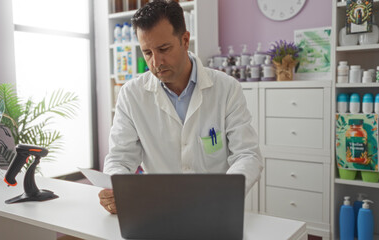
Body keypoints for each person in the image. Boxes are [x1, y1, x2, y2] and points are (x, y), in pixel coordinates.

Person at [99, 0, 263, 214]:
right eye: (147, 52)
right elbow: (120, 158)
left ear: (185, 40)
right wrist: (116, 189)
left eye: (163, 48)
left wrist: (225, 194)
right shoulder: (131, 95)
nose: (156, 62)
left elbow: (247, 155)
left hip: (215, 208)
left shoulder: (226, 88)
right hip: (158, 209)